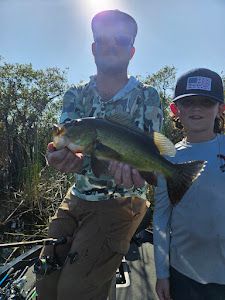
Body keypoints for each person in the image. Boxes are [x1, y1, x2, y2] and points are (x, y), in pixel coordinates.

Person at [36, 9, 163, 300]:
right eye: (102, 39)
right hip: (75, 199)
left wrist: (148, 172)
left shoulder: (147, 96)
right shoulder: (75, 95)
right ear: (93, 47)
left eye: (120, 39)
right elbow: (60, 145)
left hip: (123, 202)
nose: (111, 45)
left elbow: (148, 157)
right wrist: (53, 158)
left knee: (75, 291)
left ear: (131, 50)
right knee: (45, 283)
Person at [153, 68, 225, 300]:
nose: (196, 108)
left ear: (220, 109)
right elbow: (161, 218)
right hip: (183, 273)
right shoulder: (168, 158)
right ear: (176, 110)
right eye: (188, 102)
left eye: (206, 102)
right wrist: (162, 273)